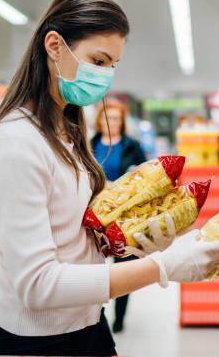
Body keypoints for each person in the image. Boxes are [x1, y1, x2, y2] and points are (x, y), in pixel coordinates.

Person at [0, 0, 219, 357]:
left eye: (112, 65)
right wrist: (162, 267)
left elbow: (71, 235)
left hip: (88, 327)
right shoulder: (16, 143)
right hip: (36, 344)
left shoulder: (65, 130)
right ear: (54, 46)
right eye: (98, 60)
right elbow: (39, 285)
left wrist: (132, 239)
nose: (106, 77)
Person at [91, 100, 146, 333]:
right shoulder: (89, 143)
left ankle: (119, 317)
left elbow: (145, 176)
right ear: (99, 120)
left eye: (115, 118)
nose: (110, 122)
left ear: (121, 121)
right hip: (95, 214)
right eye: (106, 118)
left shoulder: (132, 145)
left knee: (123, 264)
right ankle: (95, 314)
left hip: (125, 215)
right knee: (94, 265)